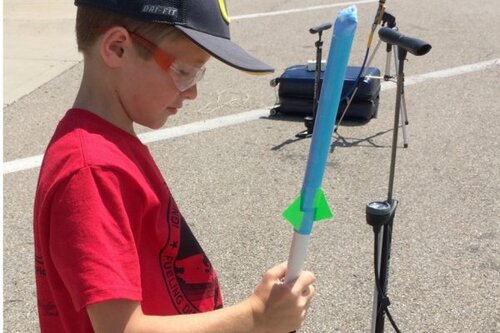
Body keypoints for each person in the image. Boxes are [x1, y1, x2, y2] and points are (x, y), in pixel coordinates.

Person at [33, 1, 316, 332]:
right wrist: (254, 317)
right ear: (117, 48)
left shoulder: (111, 146)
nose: (192, 91)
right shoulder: (91, 171)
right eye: (183, 71)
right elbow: (120, 329)